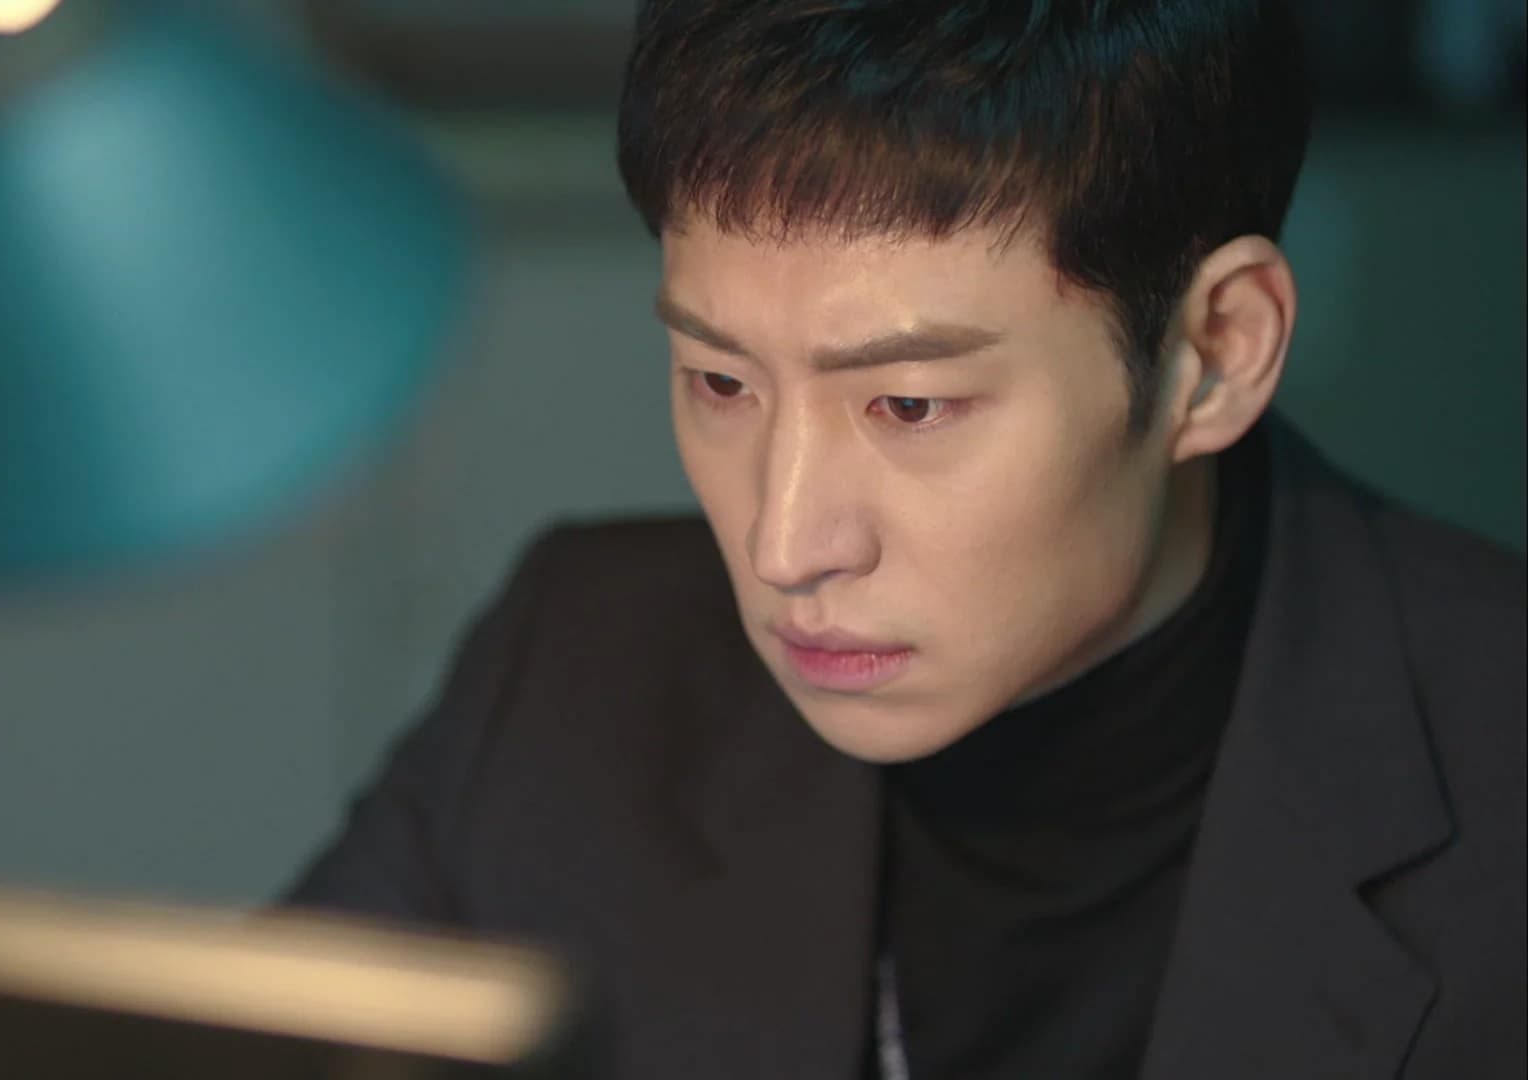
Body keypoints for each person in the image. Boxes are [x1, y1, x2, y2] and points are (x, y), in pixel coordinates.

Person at [286, 2, 1527, 1077]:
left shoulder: (1496, 775)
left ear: (1215, 353)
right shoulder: (579, 665)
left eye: (911, 406)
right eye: (720, 382)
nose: (784, 545)